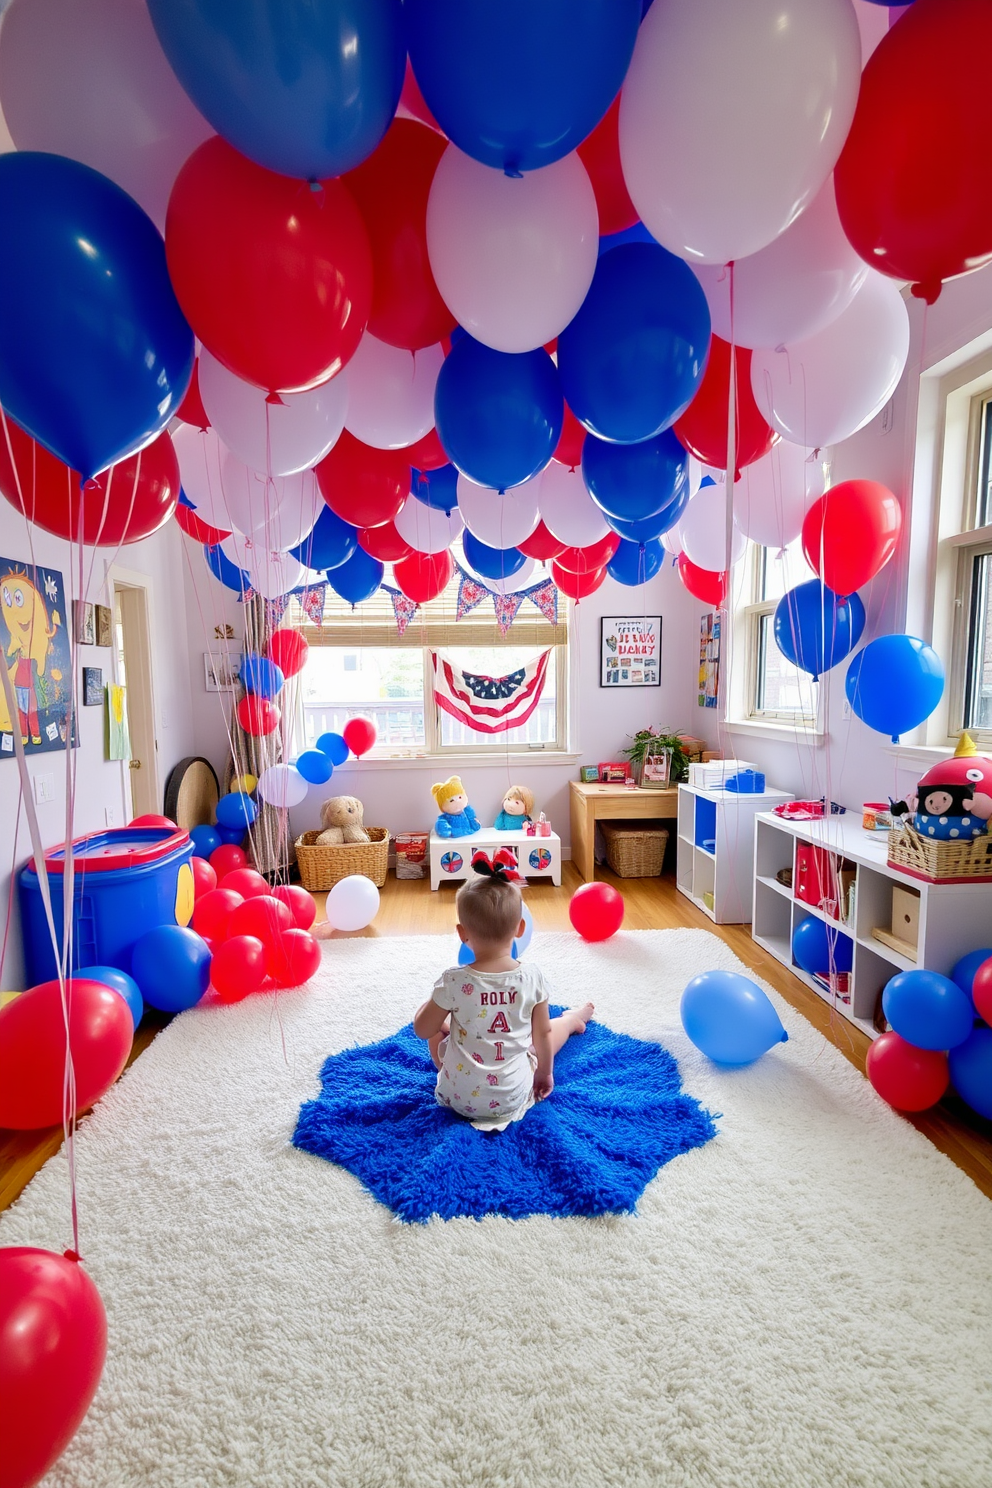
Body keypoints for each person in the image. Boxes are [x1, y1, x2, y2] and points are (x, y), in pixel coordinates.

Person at [413, 848, 593, 1132]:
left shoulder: (453, 982)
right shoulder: (532, 977)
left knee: (437, 1021)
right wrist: (544, 1073)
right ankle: (572, 1021)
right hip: (512, 1097)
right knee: (542, 1036)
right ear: (520, 928)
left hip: (458, 1100)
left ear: (462, 934)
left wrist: (435, 1001)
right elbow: (542, 1034)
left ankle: (451, 1073)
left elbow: (422, 1030)